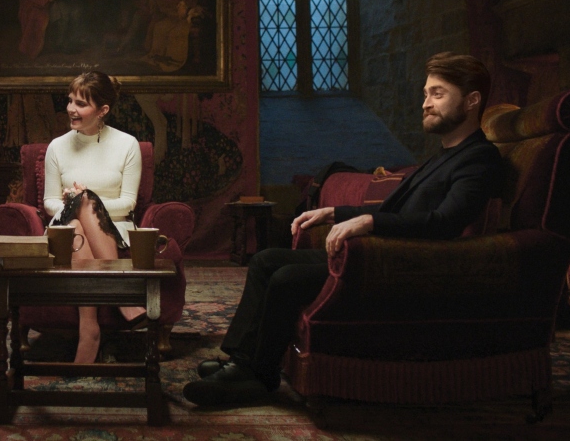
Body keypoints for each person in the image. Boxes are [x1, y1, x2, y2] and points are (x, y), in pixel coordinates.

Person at [183, 52, 505, 407]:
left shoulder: (479, 158)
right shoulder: (444, 156)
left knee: (286, 278)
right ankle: (243, 361)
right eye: (426, 93)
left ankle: (258, 375)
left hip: (402, 266)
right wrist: (333, 212)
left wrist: (369, 222)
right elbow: (392, 211)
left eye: (438, 94)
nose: (425, 103)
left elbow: (445, 223)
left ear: (472, 100)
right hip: (382, 253)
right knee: (265, 260)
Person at [43, 71, 148, 363]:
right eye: (70, 101)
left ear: (103, 110)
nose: (71, 109)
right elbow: (49, 203)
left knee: (83, 210)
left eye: (81, 104)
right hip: (64, 224)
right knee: (75, 218)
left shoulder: (127, 144)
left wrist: (88, 202)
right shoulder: (57, 146)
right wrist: (72, 203)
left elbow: (128, 203)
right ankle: (121, 297)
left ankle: (89, 331)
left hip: (114, 227)